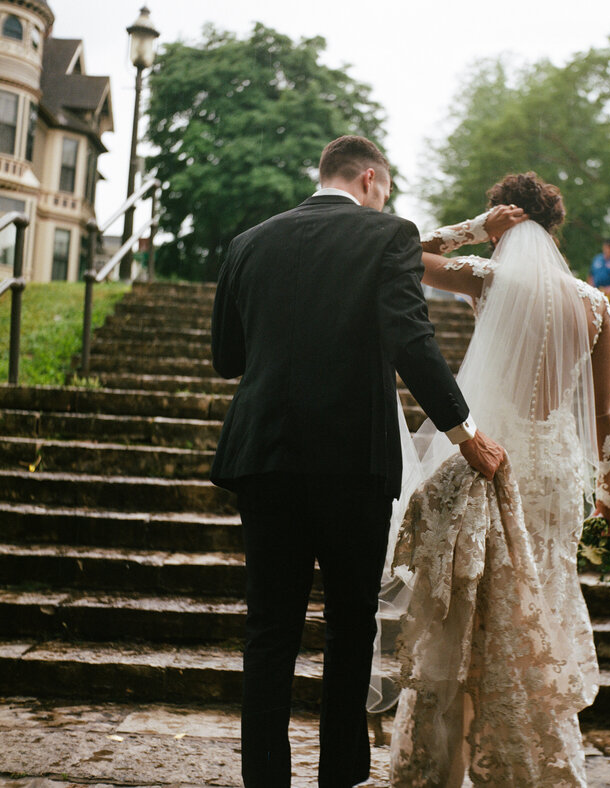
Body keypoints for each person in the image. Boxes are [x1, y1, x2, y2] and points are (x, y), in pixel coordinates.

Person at [210, 135, 506, 787]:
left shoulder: (249, 243)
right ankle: (338, 776)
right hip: (353, 461)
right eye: (387, 192)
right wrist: (468, 435)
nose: (386, 203)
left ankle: (265, 779)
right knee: (350, 625)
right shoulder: (388, 236)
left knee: (269, 628)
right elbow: (412, 341)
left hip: (266, 457)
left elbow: (227, 358)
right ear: (370, 179)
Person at [384, 172, 610, 787]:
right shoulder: (595, 305)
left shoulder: (488, 280)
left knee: (473, 611)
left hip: (495, 463)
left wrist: (470, 230)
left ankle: (444, 765)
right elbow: (606, 416)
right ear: (554, 227)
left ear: (505, 225)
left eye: (496, 228)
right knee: (536, 606)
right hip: (558, 473)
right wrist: (609, 491)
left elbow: (399, 253)